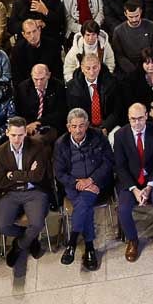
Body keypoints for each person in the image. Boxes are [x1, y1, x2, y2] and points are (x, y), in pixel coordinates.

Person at [52, 108, 112, 272]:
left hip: (96, 184)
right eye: (74, 126)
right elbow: (59, 172)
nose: (78, 130)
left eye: (81, 126)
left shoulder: (98, 136)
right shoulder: (61, 144)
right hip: (74, 186)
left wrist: (91, 180)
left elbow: (108, 162)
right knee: (85, 206)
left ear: (87, 125)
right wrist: (76, 183)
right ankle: (89, 247)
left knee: (84, 203)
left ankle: (72, 243)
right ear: (68, 127)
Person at [0, 118, 50, 277]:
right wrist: (26, 174)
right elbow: (1, 182)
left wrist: (13, 175)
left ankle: (20, 245)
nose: (17, 139)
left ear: (25, 133)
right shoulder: (0, 152)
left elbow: (37, 176)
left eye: (20, 135)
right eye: (13, 135)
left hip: (34, 191)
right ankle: (30, 238)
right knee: (1, 226)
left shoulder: (37, 146)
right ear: (7, 133)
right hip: (10, 193)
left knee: (37, 224)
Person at [113, 103, 153, 261]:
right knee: (123, 209)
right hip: (130, 181)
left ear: (146, 116)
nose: (137, 123)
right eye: (133, 119)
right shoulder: (120, 135)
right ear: (128, 118)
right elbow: (120, 166)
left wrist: (149, 186)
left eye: (140, 118)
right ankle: (133, 240)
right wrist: (134, 189)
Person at [67, 53, 127, 134]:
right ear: (82, 68)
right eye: (88, 68)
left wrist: (106, 127)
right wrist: (88, 129)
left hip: (108, 125)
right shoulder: (72, 87)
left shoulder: (112, 82)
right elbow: (74, 113)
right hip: (84, 127)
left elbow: (117, 110)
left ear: (99, 66)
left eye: (94, 67)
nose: (92, 72)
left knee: (117, 135)